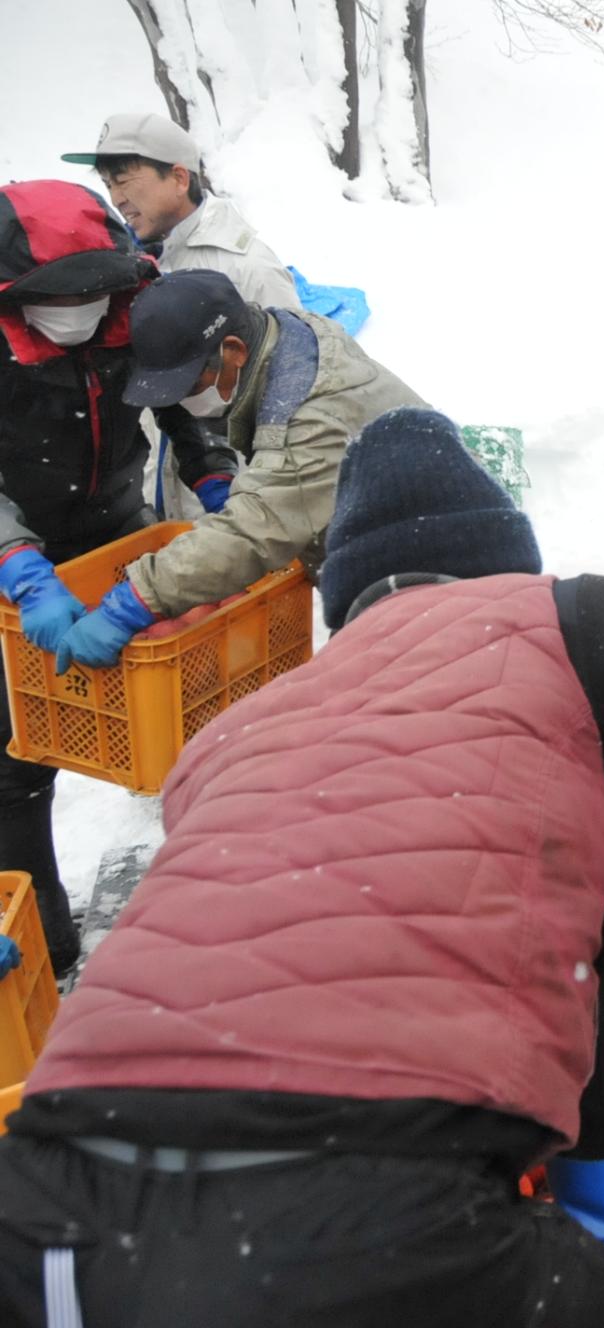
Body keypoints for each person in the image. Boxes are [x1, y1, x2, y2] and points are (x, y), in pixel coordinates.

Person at [0, 407, 604, 1328]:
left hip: (48, 1204)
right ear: (510, 560)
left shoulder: (230, 729)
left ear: (346, 598)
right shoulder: (590, 620)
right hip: (361, 1210)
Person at [0, 180, 240, 976]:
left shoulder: (129, 313)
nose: (80, 311)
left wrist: (214, 475)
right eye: (57, 299)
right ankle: (50, 949)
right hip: (19, 564)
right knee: (16, 761)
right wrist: (19, 566)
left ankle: (224, 900)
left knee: (182, 717)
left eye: (95, 294)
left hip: (117, 530)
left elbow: (175, 403)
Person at [53, 267, 424, 674]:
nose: (189, 402)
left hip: (426, 591)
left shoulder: (311, 414)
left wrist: (135, 602)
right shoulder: (292, 340)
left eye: (190, 387)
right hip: (397, 571)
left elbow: (252, 531)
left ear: (234, 350)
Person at [64, 112, 301, 312]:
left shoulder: (249, 270)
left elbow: (294, 360)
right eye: (108, 185)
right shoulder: (121, 260)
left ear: (179, 179)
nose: (115, 199)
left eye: (124, 181)